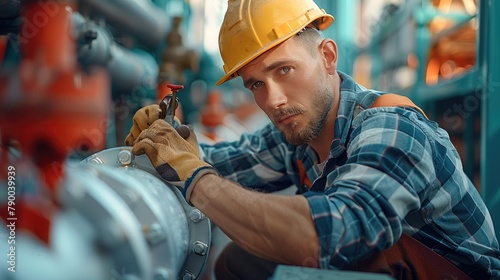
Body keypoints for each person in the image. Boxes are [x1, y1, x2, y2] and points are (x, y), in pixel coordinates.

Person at [125, 0, 500, 279]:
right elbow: (217, 159)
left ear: (328, 57)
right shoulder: (301, 135)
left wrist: (197, 181)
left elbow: (333, 233)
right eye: (256, 83)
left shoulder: (393, 127)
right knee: (239, 263)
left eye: (284, 70)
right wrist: (168, 144)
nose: (273, 100)